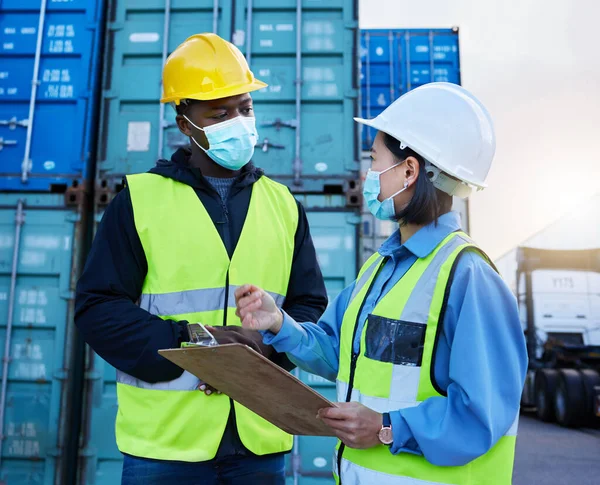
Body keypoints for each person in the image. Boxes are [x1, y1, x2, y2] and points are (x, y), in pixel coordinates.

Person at [235, 82, 528, 485]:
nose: (366, 174)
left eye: (374, 160)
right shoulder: (378, 268)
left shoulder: (470, 278)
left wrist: (386, 427)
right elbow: (339, 354)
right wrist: (277, 322)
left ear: (409, 171)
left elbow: (482, 414)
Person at [75, 33, 328, 485]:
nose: (239, 121)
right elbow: (98, 310)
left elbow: (309, 307)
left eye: (245, 109)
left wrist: (261, 351)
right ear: (185, 122)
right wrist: (196, 346)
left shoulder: (284, 205)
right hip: (165, 449)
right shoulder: (139, 201)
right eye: (220, 112)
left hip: (260, 441)